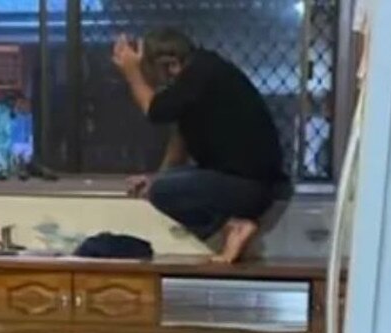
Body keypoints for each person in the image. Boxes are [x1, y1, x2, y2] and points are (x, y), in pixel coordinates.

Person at [112, 28, 285, 264]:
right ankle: (230, 226)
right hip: (243, 182)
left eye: (151, 75)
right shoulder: (201, 77)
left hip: (251, 187)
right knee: (161, 186)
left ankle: (234, 226)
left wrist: (132, 73)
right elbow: (179, 140)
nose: (155, 85)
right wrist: (157, 178)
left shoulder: (199, 75)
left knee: (163, 191)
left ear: (170, 65)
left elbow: (154, 110)